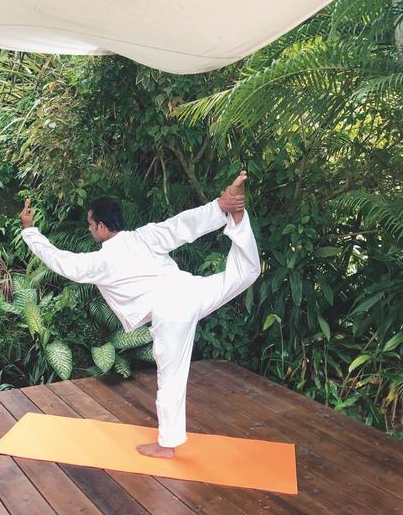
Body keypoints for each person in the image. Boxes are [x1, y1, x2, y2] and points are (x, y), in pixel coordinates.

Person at [19, 172, 260, 458]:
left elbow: (61, 261)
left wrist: (30, 231)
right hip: (193, 291)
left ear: (102, 226)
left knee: (170, 376)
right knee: (246, 272)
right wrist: (219, 207)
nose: (89, 229)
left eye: (90, 224)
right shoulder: (144, 236)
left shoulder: (101, 260)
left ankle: (167, 445)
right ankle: (235, 217)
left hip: (172, 311)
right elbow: (180, 226)